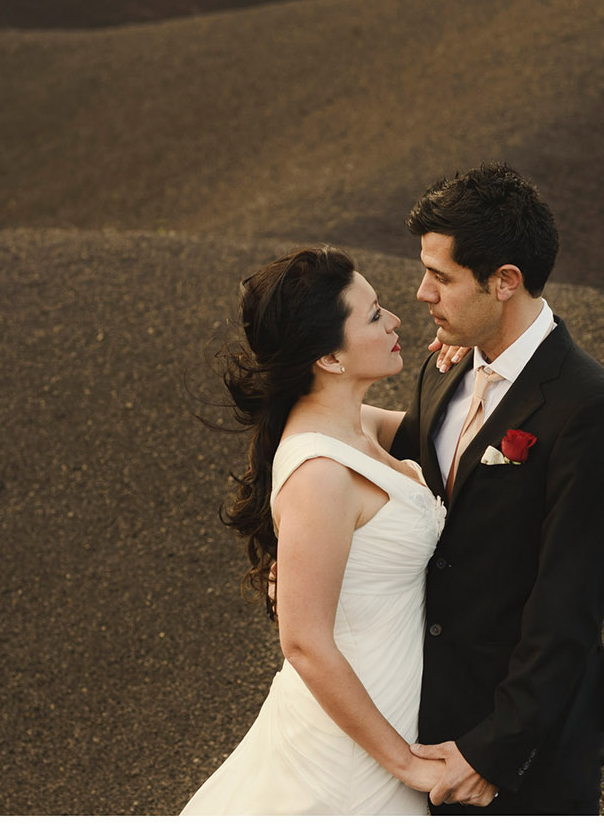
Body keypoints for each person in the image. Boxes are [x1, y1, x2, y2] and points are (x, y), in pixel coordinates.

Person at [390, 162, 604, 815]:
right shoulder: (440, 368)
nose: (421, 293)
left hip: (523, 758)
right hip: (423, 728)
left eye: (441, 277)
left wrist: (493, 752)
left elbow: (568, 608)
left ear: (505, 281)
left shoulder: (590, 412)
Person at [181, 245, 449, 814]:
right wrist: (403, 761)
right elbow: (303, 640)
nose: (397, 321)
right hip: (352, 757)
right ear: (329, 356)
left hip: (384, 716)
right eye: (375, 315)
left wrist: (471, 362)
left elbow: (461, 435)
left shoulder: (355, 429)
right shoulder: (320, 474)